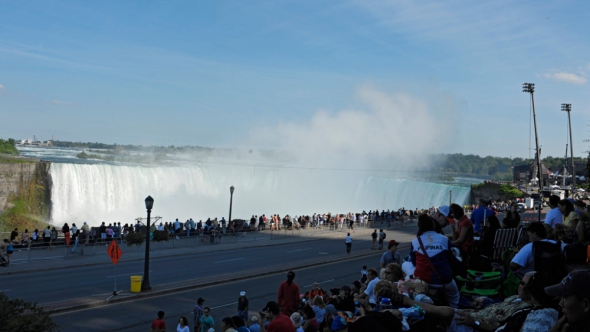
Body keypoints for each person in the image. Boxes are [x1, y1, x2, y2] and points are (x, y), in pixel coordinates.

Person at [410, 214, 460, 308]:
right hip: (443, 280)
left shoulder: (415, 241)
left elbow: (414, 262)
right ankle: (454, 312)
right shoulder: (444, 239)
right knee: (454, 297)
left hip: (421, 280)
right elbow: (450, 259)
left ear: (419, 227)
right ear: (433, 226)